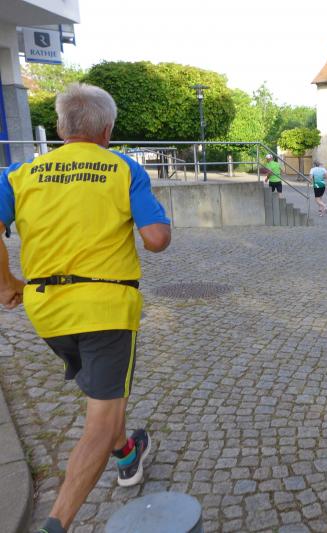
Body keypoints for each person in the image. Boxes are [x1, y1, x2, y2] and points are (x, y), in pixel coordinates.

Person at [0, 83, 171, 533]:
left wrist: (6, 284)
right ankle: (56, 524)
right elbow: (156, 240)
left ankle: (127, 453)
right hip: (106, 308)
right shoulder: (123, 168)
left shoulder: (19, 173)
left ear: (61, 128)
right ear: (107, 130)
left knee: (105, 393)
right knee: (100, 420)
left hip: (46, 312)